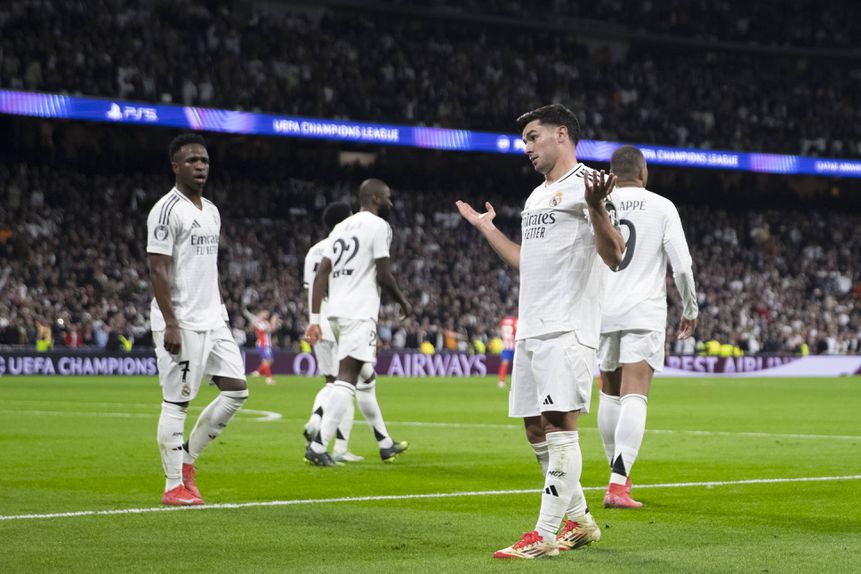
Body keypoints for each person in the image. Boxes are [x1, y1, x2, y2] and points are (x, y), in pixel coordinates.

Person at [456, 104, 624, 559]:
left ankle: (545, 534)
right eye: (525, 140)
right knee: (535, 429)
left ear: (561, 134)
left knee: (560, 426)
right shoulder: (535, 197)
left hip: (567, 326)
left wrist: (596, 208)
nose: (526, 147)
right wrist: (488, 229)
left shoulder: (590, 185)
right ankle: (581, 521)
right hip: (531, 327)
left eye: (533, 137)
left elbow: (615, 255)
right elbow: (524, 262)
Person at [147, 133, 248, 506]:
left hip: (212, 318)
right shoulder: (165, 210)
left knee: (236, 390)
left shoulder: (212, 211)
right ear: (175, 166)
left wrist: (220, 311)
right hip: (181, 320)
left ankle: (187, 460)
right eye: (191, 161)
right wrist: (171, 322)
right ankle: (173, 485)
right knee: (177, 403)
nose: (200, 166)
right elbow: (158, 270)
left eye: (204, 160)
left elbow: (208, 267)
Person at [596, 145, 698, 508]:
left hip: (603, 311)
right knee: (635, 393)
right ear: (644, 173)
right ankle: (617, 486)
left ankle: (618, 476)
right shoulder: (662, 206)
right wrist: (690, 307)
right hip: (643, 311)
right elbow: (682, 266)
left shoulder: (598, 204)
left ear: (612, 174)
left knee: (610, 393)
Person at [304, 179, 412, 467]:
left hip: (335, 314)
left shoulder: (340, 228)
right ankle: (318, 445)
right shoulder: (379, 226)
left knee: (365, 379)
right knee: (345, 381)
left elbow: (321, 274)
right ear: (375, 198)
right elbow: (384, 275)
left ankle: (384, 442)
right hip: (359, 313)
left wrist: (315, 319)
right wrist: (403, 302)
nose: (390, 202)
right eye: (387, 197)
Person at [302, 201, 365, 463]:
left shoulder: (313, 251)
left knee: (331, 382)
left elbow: (311, 288)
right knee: (347, 384)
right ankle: (338, 445)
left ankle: (316, 421)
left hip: (317, 321)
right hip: (341, 320)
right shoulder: (346, 247)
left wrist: (313, 320)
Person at [244, 309, 280, 385]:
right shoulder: (259, 323)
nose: (266, 315)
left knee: (270, 361)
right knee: (266, 361)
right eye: (264, 313)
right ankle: (268, 379)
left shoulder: (266, 323)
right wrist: (273, 321)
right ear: (260, 314)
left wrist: (276, 323)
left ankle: (257, 372)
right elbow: (269, 330)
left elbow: (273, 330)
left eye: (267, 313)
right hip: (263, 344)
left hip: (268, 344)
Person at [498, 315, 517, 388]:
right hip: (515, 345)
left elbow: (501, 332)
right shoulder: (515, 320)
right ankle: (515, 381)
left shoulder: (503, 321)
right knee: (516, 364)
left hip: (506, 345)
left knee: (505, 363)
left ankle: (501, 381)